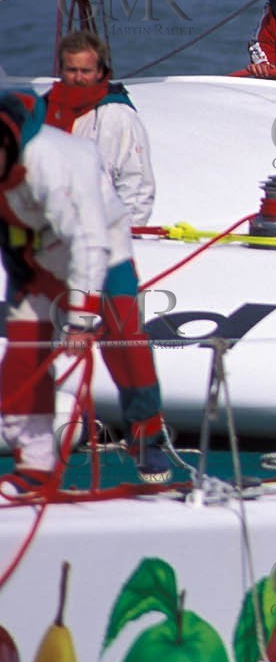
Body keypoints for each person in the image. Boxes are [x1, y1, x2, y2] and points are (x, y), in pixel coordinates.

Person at [0, 91, 170, 494]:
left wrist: (80, 318)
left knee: (124, 337)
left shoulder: (54, 164)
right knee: (24, 355)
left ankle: (146, 434)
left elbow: (89, 243)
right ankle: (35, 467)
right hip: (37, 257)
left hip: (103, 247)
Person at [44, 31, 156, 224]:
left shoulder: (117, 115)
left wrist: (127, 230)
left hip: (102, 227)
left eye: (85, 71)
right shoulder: (44, 110)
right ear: (60, 70)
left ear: (100, 72)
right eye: (71, 70)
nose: (78, 78)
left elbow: (136, 183)